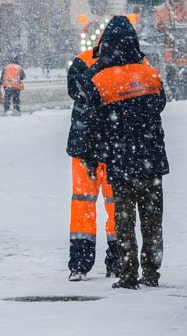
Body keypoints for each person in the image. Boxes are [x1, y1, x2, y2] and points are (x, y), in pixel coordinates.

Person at [84, 15, 168, 289]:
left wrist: (92, 158)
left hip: (120, 163)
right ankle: (152, 272)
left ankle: (128, 273)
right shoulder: (151, 75)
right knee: (152, 221)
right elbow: (160, 106)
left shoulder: (100, 80)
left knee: (124, 221)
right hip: (151, 161)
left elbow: (93, 126)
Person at [65, 36, 119, 281]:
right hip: (109, 147)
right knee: (111, 206)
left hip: (92, 144)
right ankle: (112, 261)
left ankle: (86, 262)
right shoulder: (87, 61)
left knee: (86, 205)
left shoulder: (83, 61)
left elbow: (78, 91)